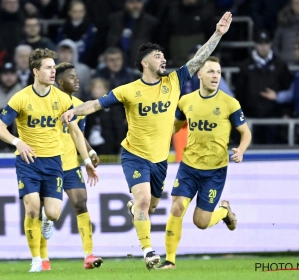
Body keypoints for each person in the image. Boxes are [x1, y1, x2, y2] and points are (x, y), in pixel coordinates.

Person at [61, 12, 233, 270]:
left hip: (160, 161)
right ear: (144, 63)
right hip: (134, 155)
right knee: (142, 202)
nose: (163, 59)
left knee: (148, 208)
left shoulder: (174, 81)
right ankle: (149, 252)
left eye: (163, 56)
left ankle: (138, 212)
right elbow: (96, 104)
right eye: (157, 56)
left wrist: (218, 34)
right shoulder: (128, 90)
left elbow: (198, 60)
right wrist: (74, 110)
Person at [0, 48, 99, 273]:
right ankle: (36, 261)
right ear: (35, 71)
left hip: (54, 162)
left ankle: (48, 222)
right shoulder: (20, 98)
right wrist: (17, 143)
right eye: (49, 68)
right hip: (28, 161)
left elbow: (76, 133)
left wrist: (87, 160)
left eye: (54, 67)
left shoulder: (62, 99)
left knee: (52, 213)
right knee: (32, 207)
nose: (53, 72)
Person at [157, 56, 252, 270]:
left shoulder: (230, 103)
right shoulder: (186, 100)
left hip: (214, 171)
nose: (215, 76)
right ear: (199, 74)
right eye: (210, 72)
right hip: (189, 167)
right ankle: (170, 260)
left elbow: (245, 133)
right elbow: (175, 126)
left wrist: (241, 150)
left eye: (218, 72)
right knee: (177, 208)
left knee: (201, 222)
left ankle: (225, 212)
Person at [39, 62, 103, 270]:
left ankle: (88, 255)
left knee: (81, 203)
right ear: (59, 81)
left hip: (70, 164)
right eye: (72, 77)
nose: (77, 80)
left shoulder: (79, 106)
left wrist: (90, 152)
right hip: (48, 164)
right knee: (46, 212)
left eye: (77, 76)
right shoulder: (45, 103)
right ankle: (43, 258)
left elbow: (77, 134)